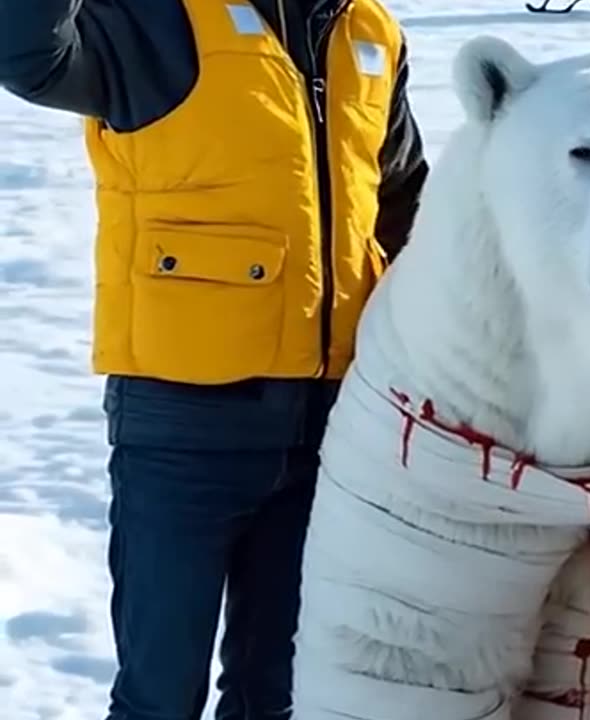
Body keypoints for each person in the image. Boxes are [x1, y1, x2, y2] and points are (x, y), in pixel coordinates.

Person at [0, 0, 428, 718]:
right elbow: (31, 58)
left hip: (335, 422)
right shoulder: (155, 17)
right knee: (160, 696)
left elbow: (404, 201)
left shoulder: (369, 29)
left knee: (281, 694)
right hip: (183, 421)